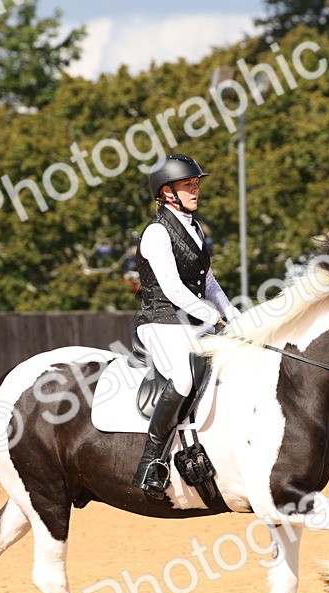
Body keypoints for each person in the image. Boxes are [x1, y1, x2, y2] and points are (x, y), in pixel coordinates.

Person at [131, 153, 239, 499]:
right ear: (166, 192)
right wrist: (213, 317)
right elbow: (174, 288)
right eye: (188, 185)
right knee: (183, 377)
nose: (196, 190)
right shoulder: (156, 233)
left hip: (193, 323)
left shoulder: (193, 227)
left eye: (196, 184)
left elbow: (208, 281)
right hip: (160, 321)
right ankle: (152, 462)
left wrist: (233, 314)